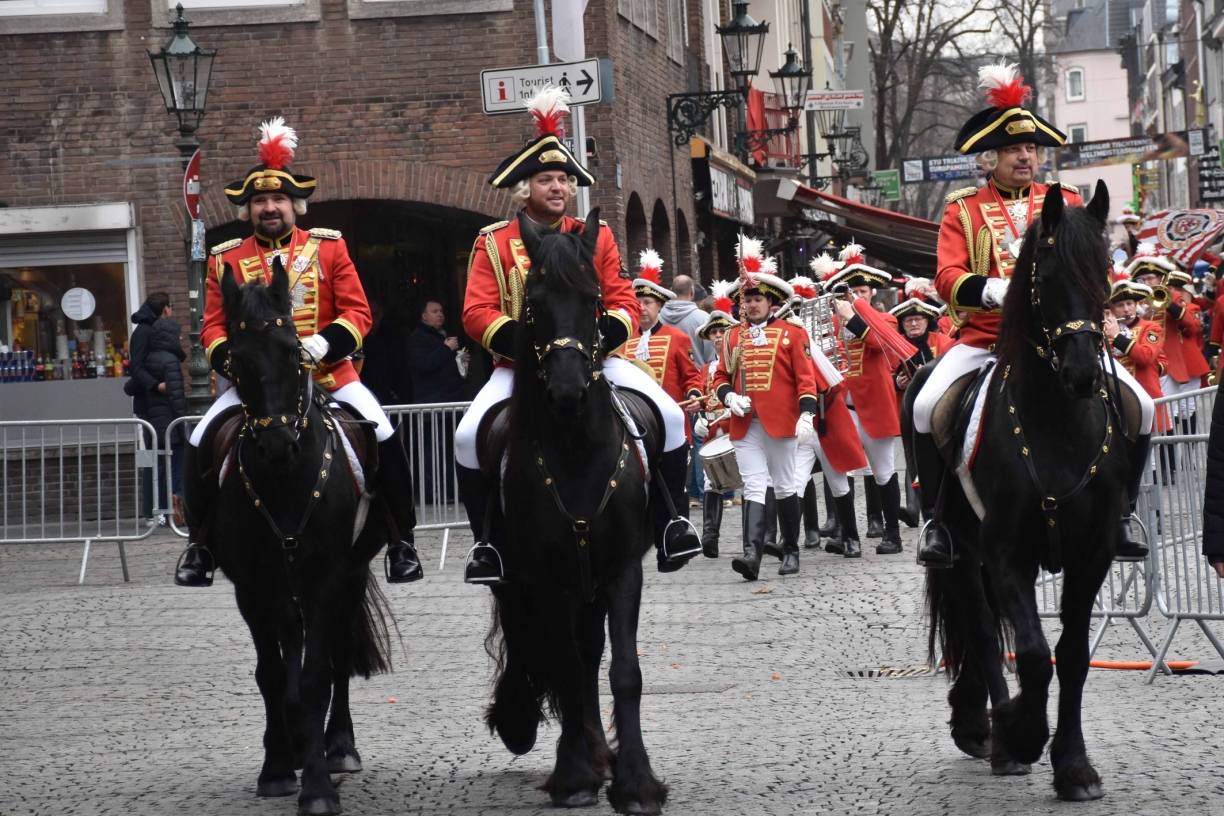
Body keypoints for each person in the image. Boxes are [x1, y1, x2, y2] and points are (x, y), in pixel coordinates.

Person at [911, 62, 1154, 566]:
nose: (1026, 157)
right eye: (1014, 149)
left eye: (1032, 149)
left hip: (1059, 341)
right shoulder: (964, 209)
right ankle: (937, 522)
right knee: (924, 406)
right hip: (985, 341)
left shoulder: (1063, 201)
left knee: (1144, 407)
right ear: (989, 159)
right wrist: (994, 290)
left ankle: (1123, 512)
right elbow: (947, 277)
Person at [455, 87, 701, 584]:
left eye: (565, 179)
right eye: (546, 178)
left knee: (672, 417)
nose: (558, 187)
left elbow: (624, 302)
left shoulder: (598, 236)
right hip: (518, 368)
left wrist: (594, 343)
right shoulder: (495, 242)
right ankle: (490, 544)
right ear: (524, 188)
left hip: (594, 360)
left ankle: (671, 520)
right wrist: (523, 348)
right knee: (465, 436)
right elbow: (477, 310)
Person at [175, 116, 422, 587]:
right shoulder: (225, 258)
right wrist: (238, 365)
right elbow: (211, 325)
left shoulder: (329, 249)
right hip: (255, 388)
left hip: (331, 377)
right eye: (261, 201)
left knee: (385, 433)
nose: (270, 208)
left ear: (296, 206)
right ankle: (200, 546)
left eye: (278, 200)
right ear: (248, 211)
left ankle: (400, 539)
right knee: (198, 440)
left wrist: (323, 344)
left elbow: (358, 313)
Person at [712, 237, 821, 580]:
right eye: (747, 298)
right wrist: (728, 397)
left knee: (786, 485)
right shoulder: (732, 338)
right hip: (746, 425)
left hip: (781, 422)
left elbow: (807, 380)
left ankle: (790, 550)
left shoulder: (792, 333)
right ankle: (751, 555)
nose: (752, 304)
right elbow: (719, 377)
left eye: (758, 298)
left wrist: (807, 413)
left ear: (771, 302)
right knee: (754, 485)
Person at [829, 243, 914, 556]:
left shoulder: (885, 320)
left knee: (883, 470)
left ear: (872, 295)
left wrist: (854, 316)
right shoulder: (833, 324)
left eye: (862, 291)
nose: (856, 297)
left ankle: (892, 532)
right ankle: (847, 533)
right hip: (843, 407)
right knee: (841, 469)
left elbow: (878, 343)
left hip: (873, 407)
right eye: (852, 291)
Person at [692, 291, 737, 557]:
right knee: (712, 483)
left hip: (739, 429)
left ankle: (763, 537)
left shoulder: (739, 362)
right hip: (713, 433)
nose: (718, 337)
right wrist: (699, 417)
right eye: (713, 333)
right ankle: (710, 537)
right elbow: (700, 394)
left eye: (722, 331)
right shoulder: (707, 367)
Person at [143, 315, 189, 526]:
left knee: (158, 466)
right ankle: (176, 507)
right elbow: (176, 396)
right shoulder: (170, 361)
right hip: (169, 421)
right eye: (177, 335)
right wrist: (182, 422)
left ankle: (158, 510)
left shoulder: (148, 359)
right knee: (177, 464)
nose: (180, 338)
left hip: (152, 421)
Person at [660, 273, 715, 366]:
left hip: (665, 378)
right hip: (698, 377)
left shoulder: (657, 319)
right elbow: (711, 359)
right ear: (692, 292)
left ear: (671, 291)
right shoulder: (705, 319)